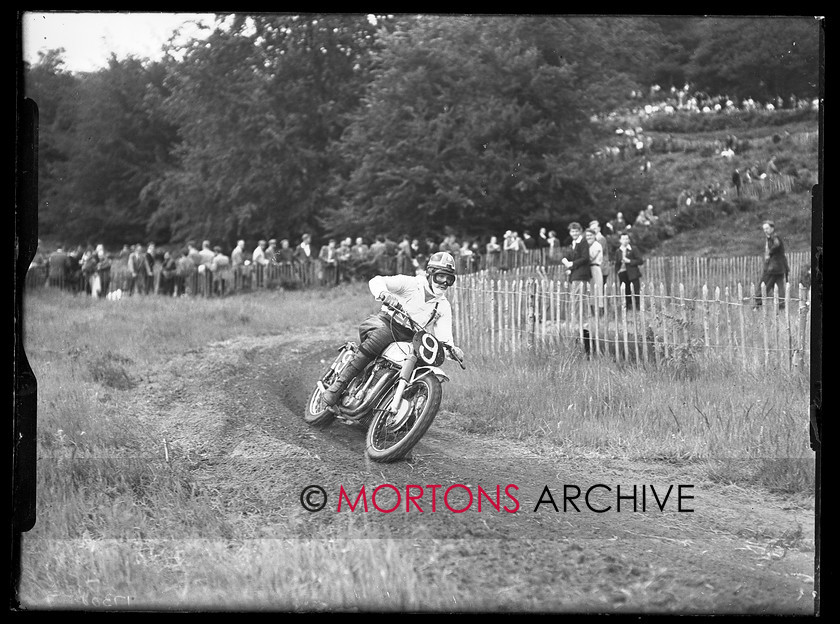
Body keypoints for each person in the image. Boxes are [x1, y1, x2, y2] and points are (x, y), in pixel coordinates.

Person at [321, 252, 465, 407]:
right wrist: (384, 293)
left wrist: (452, 349)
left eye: (449, 279)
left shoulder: (443, 305)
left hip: (412, 337)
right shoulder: (411, 284)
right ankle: (339, 385)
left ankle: (399, 407)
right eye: (440, 276)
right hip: (387, 323)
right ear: (430, 274)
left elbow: (445, 337)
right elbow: (377, 281)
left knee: (418, 363)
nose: (444, 282)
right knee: (379, 339)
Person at [754, 220, 789, 309]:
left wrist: (769, 252)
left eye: (767, 228)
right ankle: (781, 306)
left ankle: (757, 305)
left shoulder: (774, 237)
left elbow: (776, 244)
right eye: (764, 229)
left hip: (773, 268)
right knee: (779, 286)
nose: (765, 230)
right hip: (780, 267)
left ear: (772, 228)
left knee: (764, 284)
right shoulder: (771, 237)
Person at [561, 223, 591, 323]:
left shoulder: (583, 242)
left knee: (578, 298)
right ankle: (579, 320)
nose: (574, 233)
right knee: (576, 297)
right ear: (570, 232)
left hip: (581, 274)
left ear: (580, 231)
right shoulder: (574, 243)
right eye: (572, 231)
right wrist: (565, 260)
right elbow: (570, 256)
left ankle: (577, 321)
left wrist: (571, 264)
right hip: (575, 273)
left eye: (576, 231)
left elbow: (585, 258)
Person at [614, 232, 644, 311]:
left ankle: (638, 307)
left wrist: (629, 261)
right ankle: (627, 307)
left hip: (633, 273)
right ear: (620, 240)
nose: (625, 241)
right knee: (625, 291)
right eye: (623, 239)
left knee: (635, 290)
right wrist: (617, 271)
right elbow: (616, 263)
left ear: (629, 240)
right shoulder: (618, 251)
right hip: (622, 273)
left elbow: (640, 261)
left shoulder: (633, 249)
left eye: (627, 239)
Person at [584, 228, 604, 316]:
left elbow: (590, 258)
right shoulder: (587, 246)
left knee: (598, 289)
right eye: (587, 235)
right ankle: (592, 312)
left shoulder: (597, 245)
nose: (589, 237)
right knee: (590, 290)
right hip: (588, 268)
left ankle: (600, 312)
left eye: (590, 235)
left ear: (594, 236)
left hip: (595, 267)